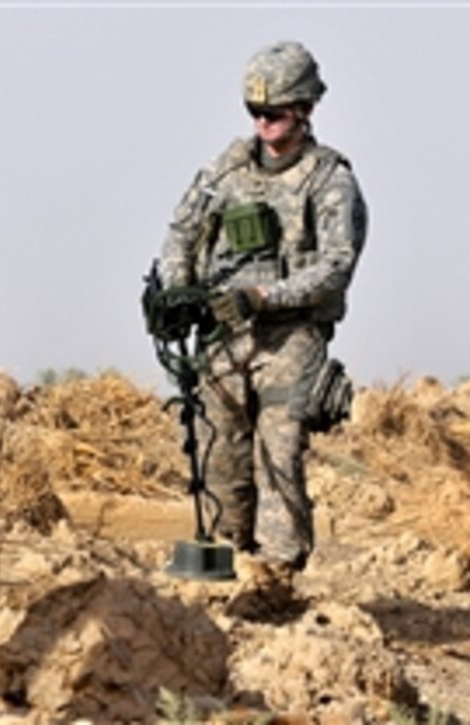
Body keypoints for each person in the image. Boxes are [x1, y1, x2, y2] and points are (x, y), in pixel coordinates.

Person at [156, 40, 367, 617]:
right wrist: (178, 291)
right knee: (218, 451)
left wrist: (264, 295)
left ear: (304, 110)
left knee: (279, 451)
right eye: (256, 113)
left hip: (290, 336)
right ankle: (223, 569)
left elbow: (336, 265)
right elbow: (180, 234)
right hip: (224, 338)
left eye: (274, 113)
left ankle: (275, 578)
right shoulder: (225, 170)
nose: (264, 124)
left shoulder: (329, 180)